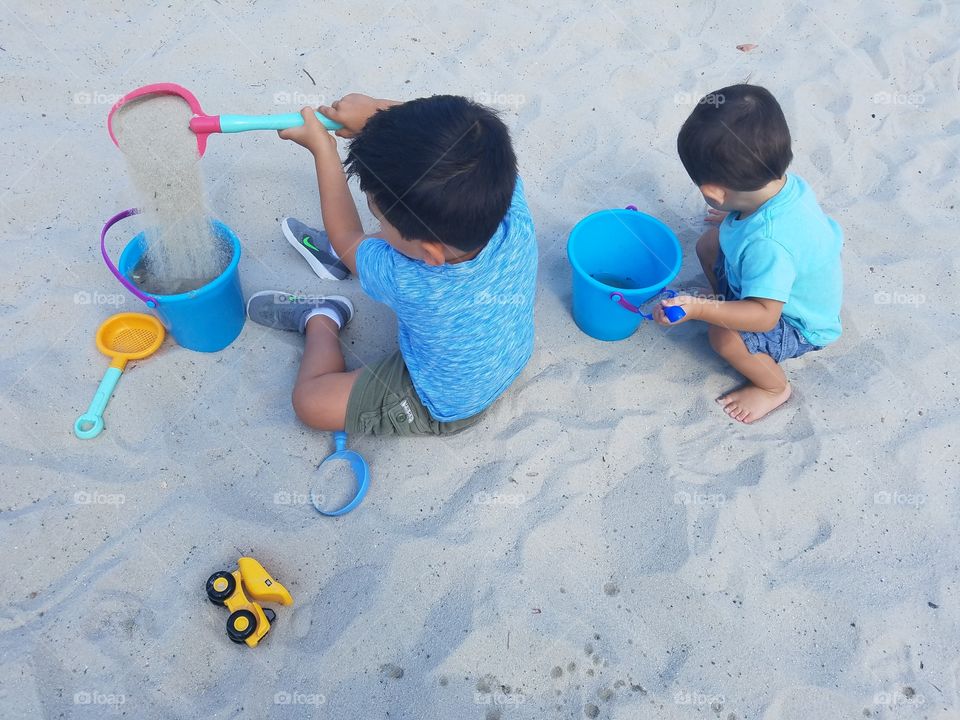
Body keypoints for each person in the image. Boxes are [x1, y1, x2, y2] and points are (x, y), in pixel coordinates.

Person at [246, 94, 537, 435]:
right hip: (511, 354)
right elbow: (458, 138)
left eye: (379, 220)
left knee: (311, 403)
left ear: (430, 254)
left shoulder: (408, 279)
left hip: (447, 403)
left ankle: (320, 318)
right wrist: (380, 119)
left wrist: (322, 149)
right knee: (403, 231)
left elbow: (346, 236)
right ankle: (362, 257)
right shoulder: (508, 202)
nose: (378, 225)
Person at [656, 84, 843, 423]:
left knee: (724, 337)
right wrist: (734, 212)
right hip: (774, 278)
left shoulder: (768, 244)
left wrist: (700, 309)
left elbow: (766, 317)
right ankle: (724, 303)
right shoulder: (781, 183)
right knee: (709, 244)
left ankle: (773, 388)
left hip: (795, 322)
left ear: (714, 194)